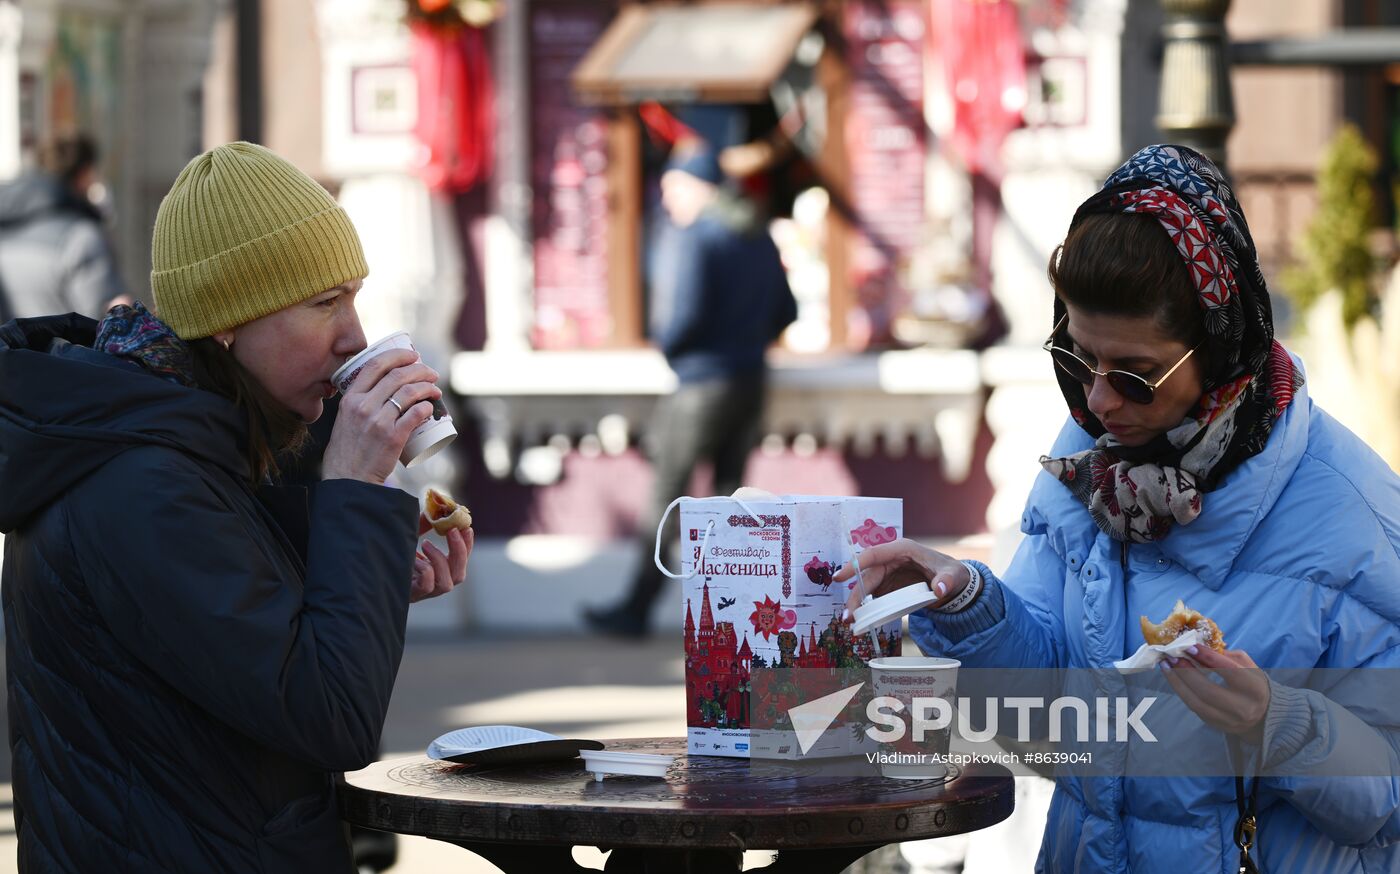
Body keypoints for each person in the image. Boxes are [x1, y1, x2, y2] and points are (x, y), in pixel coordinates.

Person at [837, 145, 1400, 872]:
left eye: (1135, 376)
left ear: (1222, 345)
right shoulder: (1086, 462)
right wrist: (968, 606)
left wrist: (1277, 723)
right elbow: (1051, 736)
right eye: (1076, 359)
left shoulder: (1354, 515)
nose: (1099, 401)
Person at [0, 141, 472, 872]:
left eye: (353, 297)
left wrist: (363, 565)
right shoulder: (141, 479)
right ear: (226, 320)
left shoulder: (174, 443)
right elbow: (327, 715)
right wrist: (350, 487)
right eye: (324, 303)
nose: (354, 335)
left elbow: (236, 650)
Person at [585, 145, 797, 638]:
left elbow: (681, 317)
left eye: (672, 187)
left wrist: (675, 350)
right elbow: (788, 312)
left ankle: (637, 608)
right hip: (751, 381)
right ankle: (733, 613)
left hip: (701, 382)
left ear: (698, 187)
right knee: (729, 502)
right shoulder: (757, 234)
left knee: (667, 496)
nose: (666, 198)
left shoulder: (697, 236)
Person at [0, 133, 129, 320]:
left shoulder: (6, 229)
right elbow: (101, 323)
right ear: (84, 174)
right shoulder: (82, 238)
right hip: (59, 348)